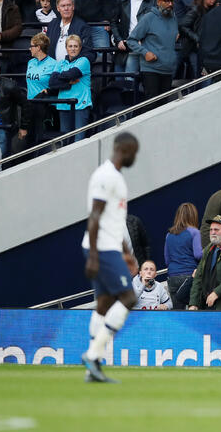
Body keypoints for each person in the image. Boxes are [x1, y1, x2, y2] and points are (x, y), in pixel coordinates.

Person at [80, 133, 139, 382]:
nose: (135, 157)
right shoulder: (105, 176)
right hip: (102, 248)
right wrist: (93, 255)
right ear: (124, 150)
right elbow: (95, 216)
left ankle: (91, 371)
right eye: (134, 152)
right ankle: (93, 355)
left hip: (110, 246)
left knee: (103, 305)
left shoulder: (116, 178)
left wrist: (127, 252)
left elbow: (115, 221)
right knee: (129, 298)